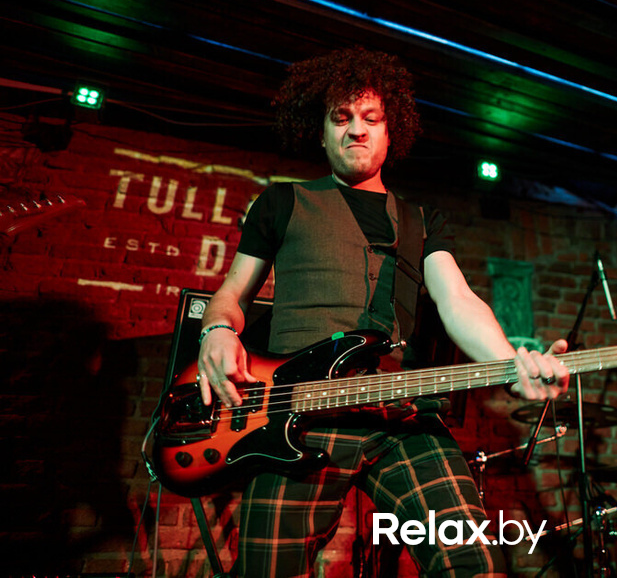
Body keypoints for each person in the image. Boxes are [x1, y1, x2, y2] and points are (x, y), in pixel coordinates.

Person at [195, 46, 570, 578]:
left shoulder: (420, 221)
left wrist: (511, 363)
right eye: (341, 117)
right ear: (321, 132)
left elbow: (458, 299)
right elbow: (232, 292)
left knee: (474, 564)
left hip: (403, 417)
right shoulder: (282, 202)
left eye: (371, 118)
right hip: (299, 418)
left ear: (391, 133)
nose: (356, 130)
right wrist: (216, 330)